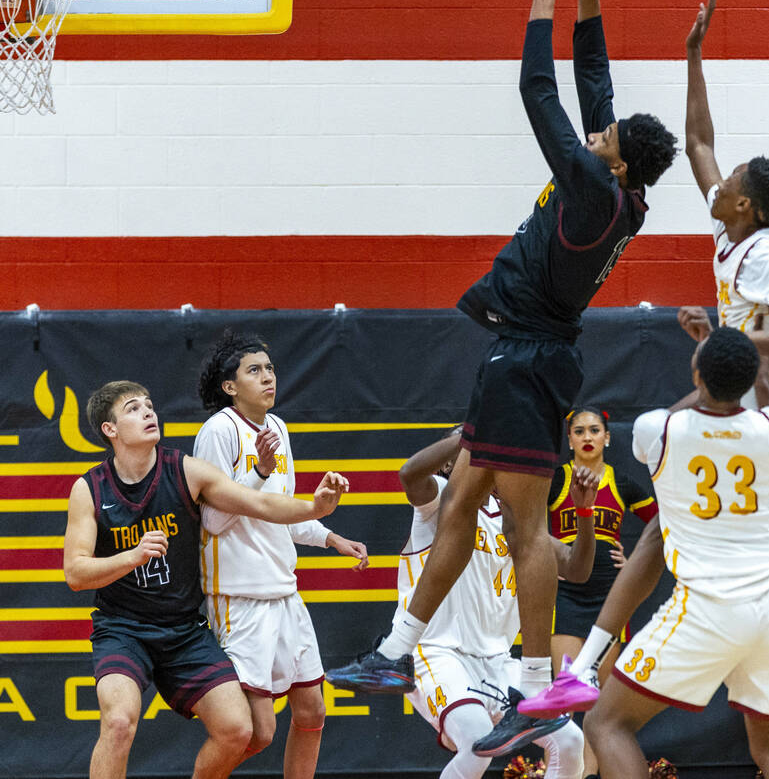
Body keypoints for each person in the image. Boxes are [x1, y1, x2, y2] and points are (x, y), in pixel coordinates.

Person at [522, 0, 769, 757]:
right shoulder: (734, 231)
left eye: (730, 181)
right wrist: (693, 56)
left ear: (747, 202)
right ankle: (586, 663)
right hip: (743, 391)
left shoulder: (767, 249)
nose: (713, 181)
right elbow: (697, 141)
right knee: (667, 519)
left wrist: (726, 340)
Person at [380, 0, 677, 731]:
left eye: (607, 134)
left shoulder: (589, 188)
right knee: (460, 505)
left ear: (613, 157)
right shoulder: (622, 189)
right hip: (522, 347)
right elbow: (595, 82)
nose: (600, 127)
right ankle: (398, 646)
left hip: (532, 356)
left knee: (520, 526)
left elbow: (538, 91)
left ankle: (532, 681)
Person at [583, 328, 769, 779]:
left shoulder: (660, 428)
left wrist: (707, 371)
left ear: (697, 374)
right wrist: (759, 373)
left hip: (708, 607)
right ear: (751, 378)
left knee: (607, 722)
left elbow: (666, 419)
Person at [62, 380, 348, 779]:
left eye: (150, 404)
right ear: (110, 430)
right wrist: (131, 556)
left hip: (182, 629)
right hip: (123, 629)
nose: (148, 412)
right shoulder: (89, 488)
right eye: (133, 409)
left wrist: (314, 507)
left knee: (239, 730)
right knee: (119, 721)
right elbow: (75, 573)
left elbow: (259, 502)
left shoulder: (184, 469)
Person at [326, 428, 598, 774]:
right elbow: (410, 473)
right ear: (450, 464)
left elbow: (577, 569)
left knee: (571, 741)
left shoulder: (518, 521)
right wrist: (473, 433)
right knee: (477, 743)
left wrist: (585, 513)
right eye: (471, 453)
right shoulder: (441, 500)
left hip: (497, 661)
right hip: (436, 653)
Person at [193, 332, 368, 777]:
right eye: (254, 370)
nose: (268, 377)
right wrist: (257, 472)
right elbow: (213, 522)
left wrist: (329, 537)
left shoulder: (278, 427)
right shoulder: (218, 431)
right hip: (239, 597)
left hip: (284, 593)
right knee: (258, 733)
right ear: (229, 386)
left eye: (269, 368)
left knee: (312, 714)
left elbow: (281, 509)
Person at [549, 406, 657, 779]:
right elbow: (523, 524)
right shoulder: (555, 480)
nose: (588, 437)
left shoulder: (622, 483)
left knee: (600, 707)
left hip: (610, 598)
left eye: (595, 430)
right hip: (564, 597)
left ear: (607, 437)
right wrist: (552, 557)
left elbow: (667, 519)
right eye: (579, 431)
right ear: (570, 440)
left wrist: (638, 558)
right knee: (565, 702)